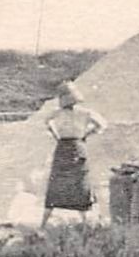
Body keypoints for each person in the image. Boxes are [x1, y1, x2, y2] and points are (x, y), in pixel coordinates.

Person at [42, 82, 106, 226]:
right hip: (65, 147)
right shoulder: (60, 113)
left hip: (75, 147)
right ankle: (45, 223)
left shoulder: (83, 112)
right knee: (59, 184)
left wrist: (85, 135)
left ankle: (84, 221)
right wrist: (55, 135)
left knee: (79, 183)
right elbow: (46, 121)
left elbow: (101, 124)